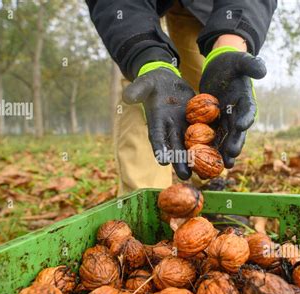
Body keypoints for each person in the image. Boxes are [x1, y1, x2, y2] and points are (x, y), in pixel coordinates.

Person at [86, 0, 277, 195]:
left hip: (205, 6)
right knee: (147, 88)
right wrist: (146, 58)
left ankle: (212, 189)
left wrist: (230, 43)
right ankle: (145, 200)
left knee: (208, 78)